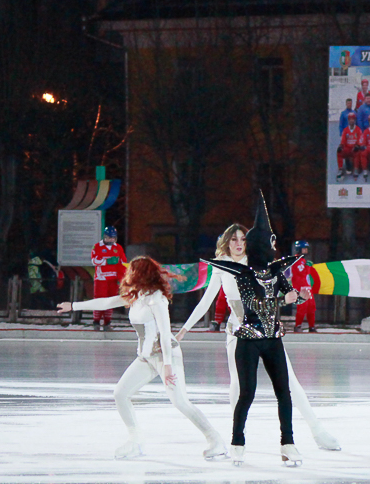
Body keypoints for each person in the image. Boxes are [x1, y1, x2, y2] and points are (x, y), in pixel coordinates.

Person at [59, 256, 229, 461]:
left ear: (141, 274)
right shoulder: (135, 295)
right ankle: (135, 441)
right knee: (120, 394)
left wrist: (167, 366)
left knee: (181, 402)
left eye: (132, 271)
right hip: (146, 357)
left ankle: (215, 440)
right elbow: (106, 302)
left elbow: (166, 334)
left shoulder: (157, 298)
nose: (128, 275)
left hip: (167, 355)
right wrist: (73, 306)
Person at [203, 195, 305, 467]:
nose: (274, 245)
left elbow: (289, 292)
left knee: (284, 391)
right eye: (270, 241)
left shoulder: (276, 271)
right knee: (246, 393)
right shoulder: (243, 274)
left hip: (273, 339)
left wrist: (298, 295)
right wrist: (285, 300)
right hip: (248, 338)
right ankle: (237, 441)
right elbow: (253, 303)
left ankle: (288, 443)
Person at [90, 225, 127, 330]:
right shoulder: (97, 246)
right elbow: (94, 261)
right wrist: (107, 261)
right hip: (101, 279)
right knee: (99, 300)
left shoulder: (118, 248)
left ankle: (107, 323)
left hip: (113, 279)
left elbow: (123, 262)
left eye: (113, 238)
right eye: (108, 237)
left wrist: (122, 278)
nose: (110, 240)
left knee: (111, 301)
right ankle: (96, 322)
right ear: (104, 237)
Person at [291, 240, 317, 332]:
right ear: (299, 249)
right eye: (304, 248)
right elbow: (301, 273)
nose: (306, 250)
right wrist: (307, 267)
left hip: (307, 288)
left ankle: (312, 326)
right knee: (302, 308)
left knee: (311, 308)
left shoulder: (303, 261)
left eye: (306, 249)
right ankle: (298, 325)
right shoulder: (296, 260)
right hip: (301, 288)